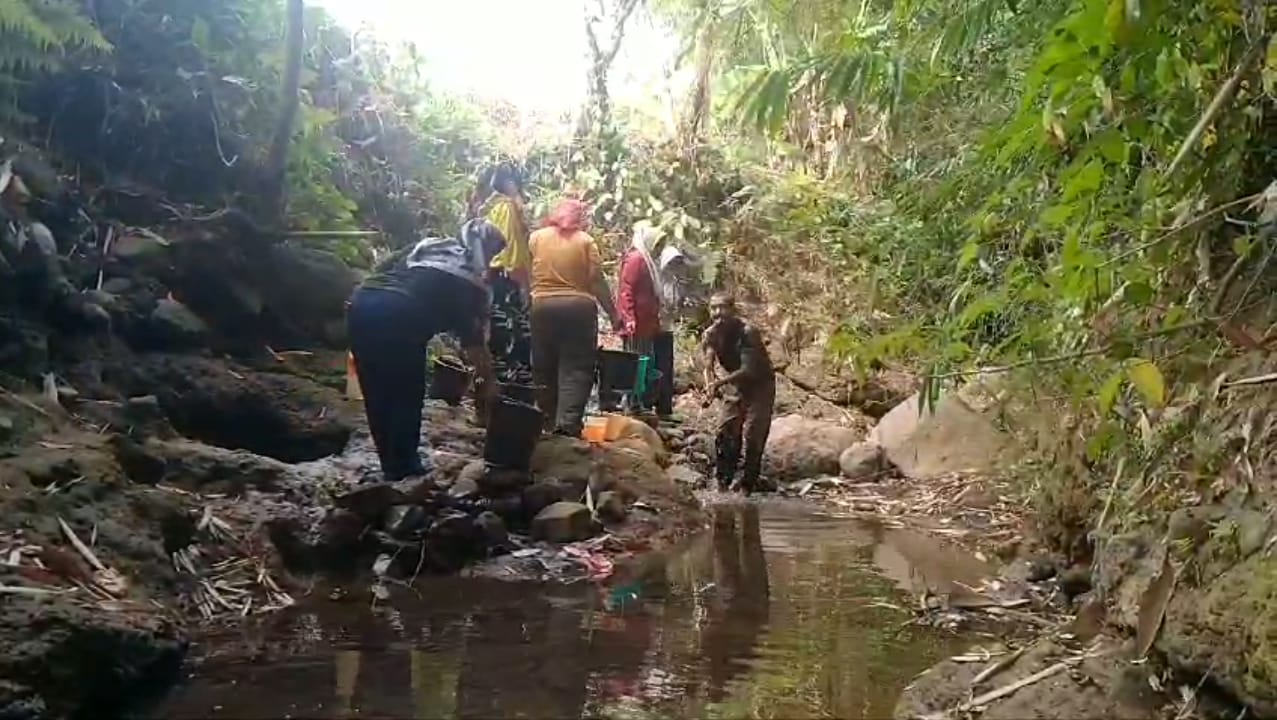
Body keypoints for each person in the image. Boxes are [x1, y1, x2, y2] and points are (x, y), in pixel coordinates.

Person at [347, 219, 502, 482]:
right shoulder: (467, 280)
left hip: (361, 305)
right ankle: (406, 470)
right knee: (405, 393)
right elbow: (474, 345)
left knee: (376, 391)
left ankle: (390, 466)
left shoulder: (427, 247)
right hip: (401, 313)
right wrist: (489, 386)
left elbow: (380, 270)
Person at [528, 198, 621, 437]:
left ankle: (546, 422)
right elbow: (596, 280)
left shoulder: (537, 238)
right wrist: (613, 314)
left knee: (544, 365)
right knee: (577, 367)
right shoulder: (585, 241)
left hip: (542, 305)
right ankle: (567, 426)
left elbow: (526, 271)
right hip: (579, 309)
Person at [472, 164, 534, 417]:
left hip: (490, 281)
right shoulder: (506, 208)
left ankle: (489, 406)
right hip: (506, 283)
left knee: (496, 341)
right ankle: (510, 408)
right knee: (513, 345)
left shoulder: (486, 208)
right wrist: (524, 286)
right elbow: (511, 254)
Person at [700, 292, 776, 493]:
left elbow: (749, 369)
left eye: (723, 307)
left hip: (760, 385)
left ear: (733, 310)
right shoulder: (710, 334)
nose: (718, 313)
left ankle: (748, 485)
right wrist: (709, 386)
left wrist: (718, 383)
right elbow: (708, 365)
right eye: (714, 308)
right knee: (725, 430)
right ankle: (723, 482)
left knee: (753, 435)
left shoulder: (747, 332)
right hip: (735, 384)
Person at [613, 222, 665, 412]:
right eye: (657, 244)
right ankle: (631, 402)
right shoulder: (636, 259)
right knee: (636, 363)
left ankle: (637, 401)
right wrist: (629, 318)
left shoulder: (646, 260)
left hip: (645, 322)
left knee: (643, 362)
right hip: (637, 323)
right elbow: (626, 290)